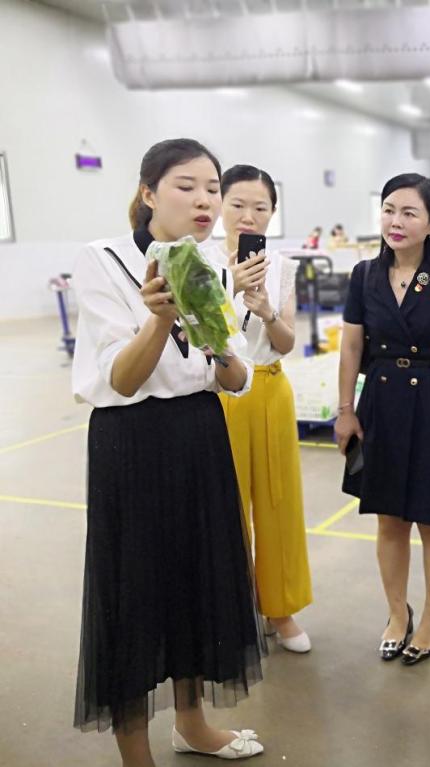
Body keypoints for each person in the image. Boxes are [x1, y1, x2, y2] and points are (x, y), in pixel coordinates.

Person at [71, 138, 265, 765]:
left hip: (200, 435)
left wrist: (222, 349)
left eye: (212, 188)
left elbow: (235, 376)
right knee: (135, 594)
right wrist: (158, 319)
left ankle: (192, 724)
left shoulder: (208, 265)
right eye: (187, 186)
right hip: (132, 443)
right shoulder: (103, 260)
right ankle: (136, 753)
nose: (205, 200)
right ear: (149, 193)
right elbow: (123, 380)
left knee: (197, 583)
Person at [334, 173, 430, 666]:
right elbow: (351, 347)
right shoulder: (365, 275)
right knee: (389, 521)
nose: (395, 221)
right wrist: (345, 410)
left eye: (408, 213)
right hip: (381, 403)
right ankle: (397, 614)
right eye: (388, 210)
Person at [208, 164, 313, 653]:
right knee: (225, 507)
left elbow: (287, 343)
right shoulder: (201, 261)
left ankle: (280, 609)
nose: (248, 216)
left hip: (270, 388)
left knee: (277, 502)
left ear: (273, 213)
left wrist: (268, 310)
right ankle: (231, 613)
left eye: (260, 207)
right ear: (220, 205)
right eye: (238, 204)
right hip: (220, 393)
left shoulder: (283, 268)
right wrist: (228, 286)